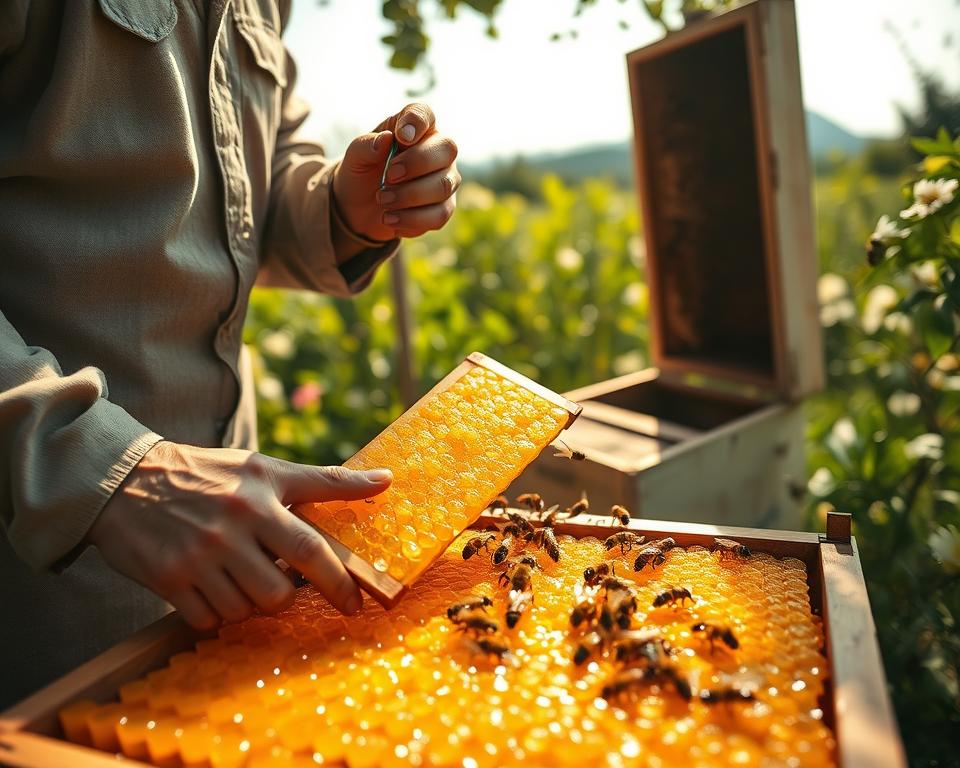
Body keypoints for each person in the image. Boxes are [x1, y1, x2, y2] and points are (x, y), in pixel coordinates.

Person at [0, 0, 460, 708]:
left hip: (237, 590)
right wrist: (108, 469)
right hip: (44, 604)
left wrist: (345, 205)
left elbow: (254, 179)